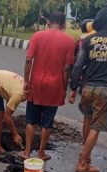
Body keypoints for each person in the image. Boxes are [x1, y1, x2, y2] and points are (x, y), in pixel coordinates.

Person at [69, 8, 107, 172]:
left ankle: (86, 159)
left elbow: (78, 66)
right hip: (106, 90)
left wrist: (74, 88)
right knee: (96, 127)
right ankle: (82, 162)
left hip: (87, 88)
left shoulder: (89, 40)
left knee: (88, 120)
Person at [19, 11, 75, 160]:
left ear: (48, 22)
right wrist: (63, 88)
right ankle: (41, 153)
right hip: (55, 86)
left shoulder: (37, 36)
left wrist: (26, 80)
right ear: (63, 24)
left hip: (36, 84)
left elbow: (29, 60)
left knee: (31, 120)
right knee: (47, 123)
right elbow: (67, 69)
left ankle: (26, 152)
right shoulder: (69, 41)